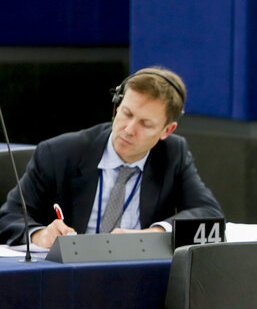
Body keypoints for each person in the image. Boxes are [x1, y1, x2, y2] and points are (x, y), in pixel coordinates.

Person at [0, 67, 224, 248]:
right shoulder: (59, 152)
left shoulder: (174, 154)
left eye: (145, 124)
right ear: (117, 105)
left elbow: (209, 215)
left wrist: (152, 234)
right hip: (68, 276)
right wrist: (40, 235)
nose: (128, 129)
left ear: (167, 130)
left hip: (140, 276)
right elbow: (10, 216)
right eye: (126, 113)